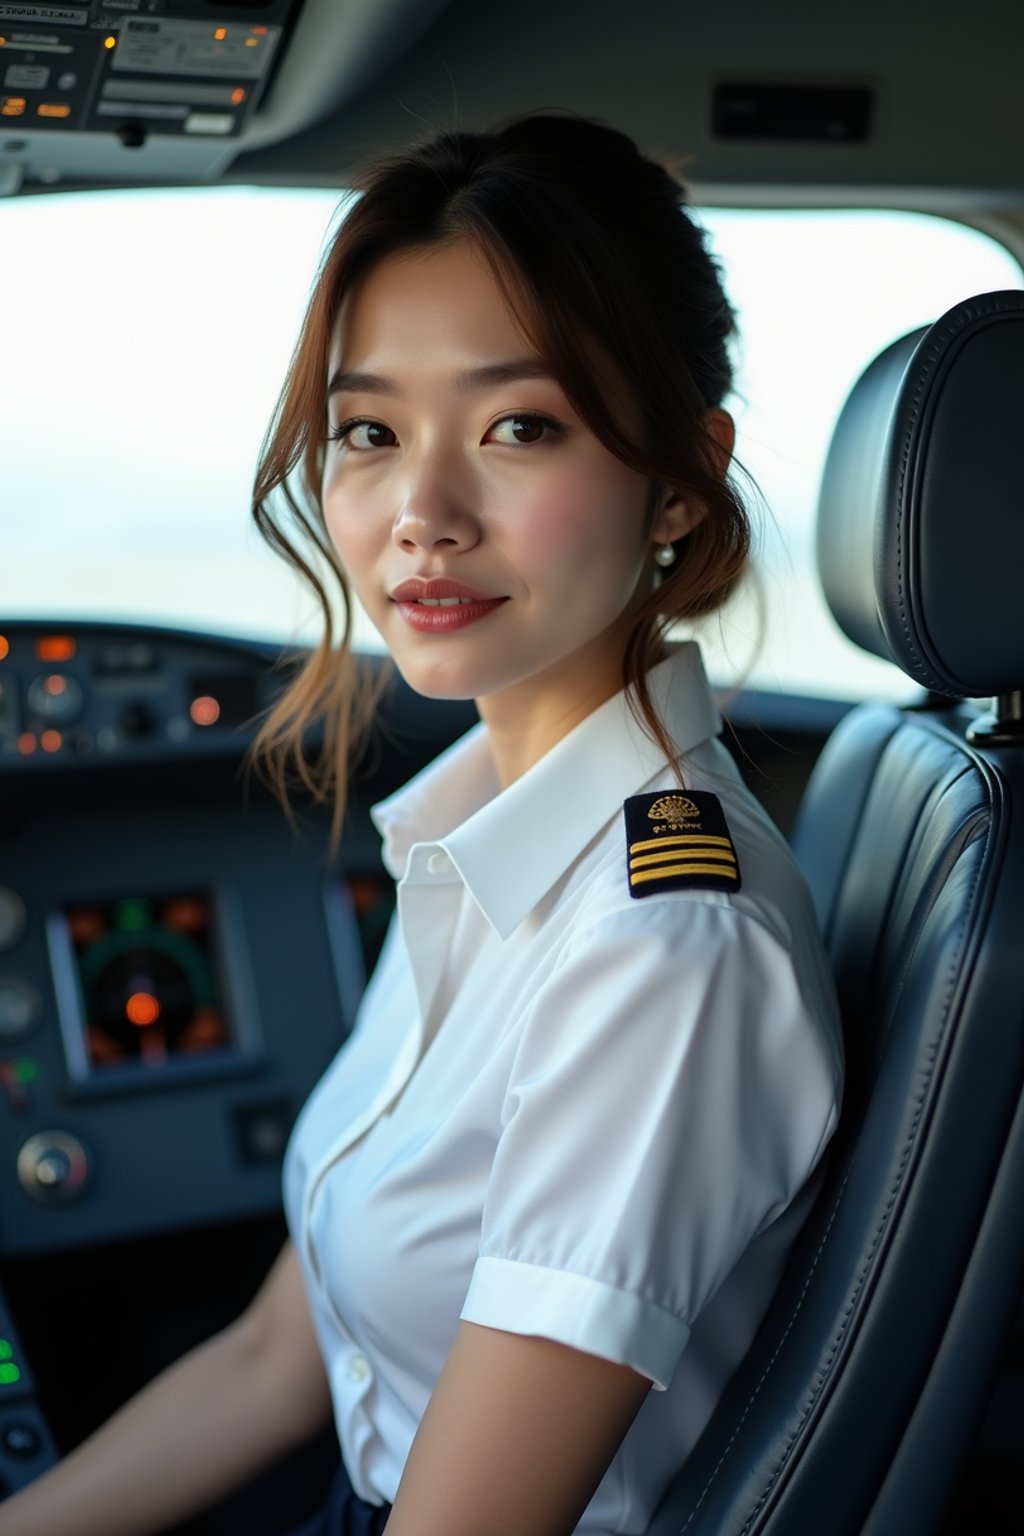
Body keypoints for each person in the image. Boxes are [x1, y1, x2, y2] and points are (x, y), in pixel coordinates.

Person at [0, 113, 843, 1536]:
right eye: (370, 433)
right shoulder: (491, 835)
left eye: (521, 425)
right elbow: (278, 1358)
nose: (421, 512)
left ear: (683, 481)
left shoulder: (659, 943)